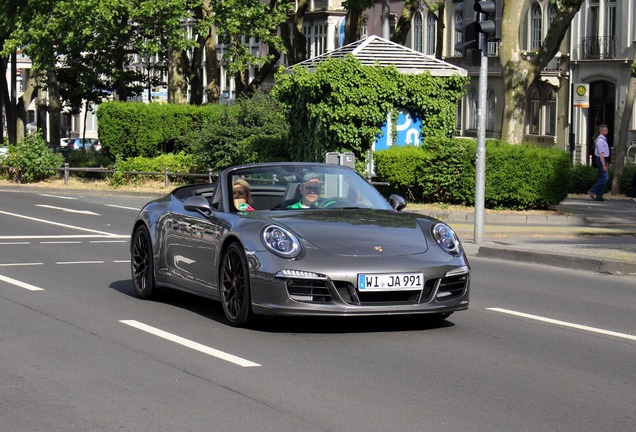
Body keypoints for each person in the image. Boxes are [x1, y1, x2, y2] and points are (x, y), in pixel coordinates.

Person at [588, 124, 610, 202]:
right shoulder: (600, 140)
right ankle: (592, 190)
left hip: (604, 159)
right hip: (601, 159)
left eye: (607, 130)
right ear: (600, 131)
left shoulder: (603, 139)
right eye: (605, 130)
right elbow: (601, 153)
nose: (606, 131)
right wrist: (604, 164)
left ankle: (599, 196)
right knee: (605, 178)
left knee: (601, 177)